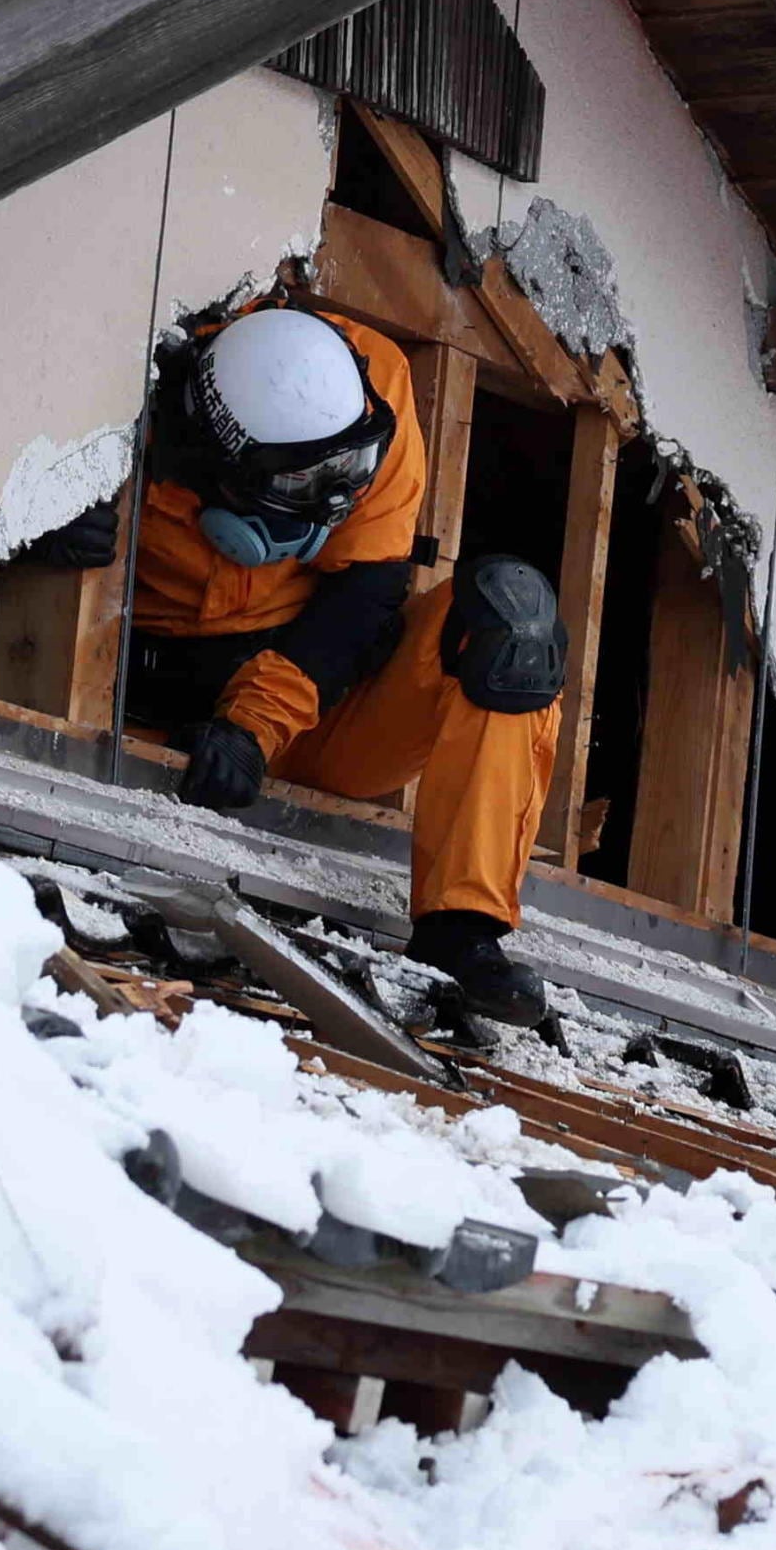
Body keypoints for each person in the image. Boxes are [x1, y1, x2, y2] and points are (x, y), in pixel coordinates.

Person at [127, 302, 576, 1030]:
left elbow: (362, 597)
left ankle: (461, 930)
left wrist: (252, 726)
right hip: (136, 693)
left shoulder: (381, 385)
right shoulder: (119, 397)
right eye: (302, 485)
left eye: (344, 472)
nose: (331, 501)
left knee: (511, 620)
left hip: (318, 709)